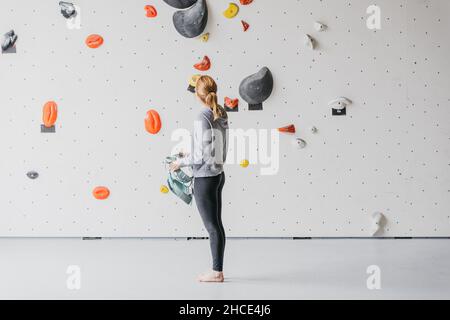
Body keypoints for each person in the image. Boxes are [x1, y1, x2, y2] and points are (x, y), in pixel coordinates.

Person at [169, 75, 229, 282]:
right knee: (217, 225)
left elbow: (202, 153)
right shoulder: (221, 112)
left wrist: (180, 163)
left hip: (204, 178)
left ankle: (216, 272)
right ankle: (217, 270)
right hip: (218, 175)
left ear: (198, 94)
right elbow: (216, 146)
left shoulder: (201, 116)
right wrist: (190, 153)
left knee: (212, 227)